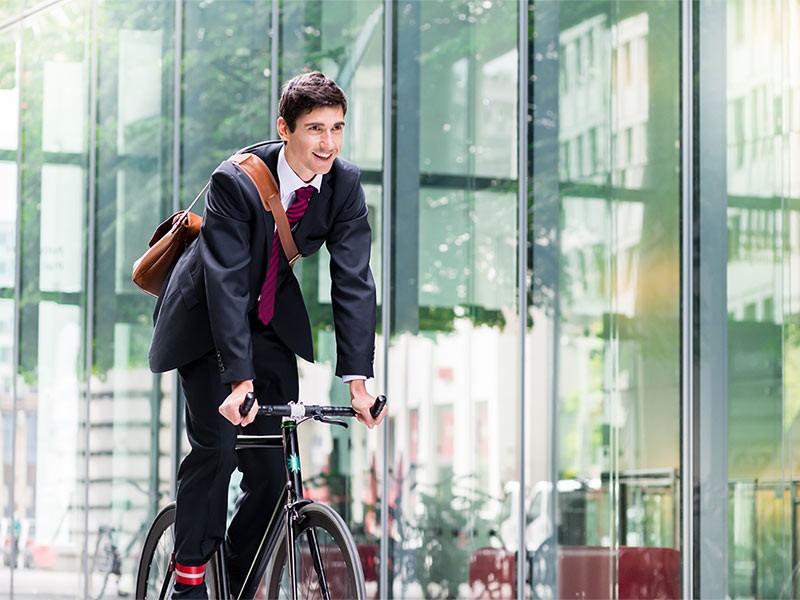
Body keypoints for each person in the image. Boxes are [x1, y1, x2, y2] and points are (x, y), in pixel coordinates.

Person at [148, 70, 385, 599]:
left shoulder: (344, 183)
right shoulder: (237, 180)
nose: (328, 144)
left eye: (337, 128)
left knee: (276, 471)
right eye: (315, 129)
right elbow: (226, 282)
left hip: (269, 320)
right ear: (285, 128)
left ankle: (235, 580)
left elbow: (353, 280)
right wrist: (238, 381)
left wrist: (359, 383)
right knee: (219, 446)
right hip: (209, 318)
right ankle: (189, 580)